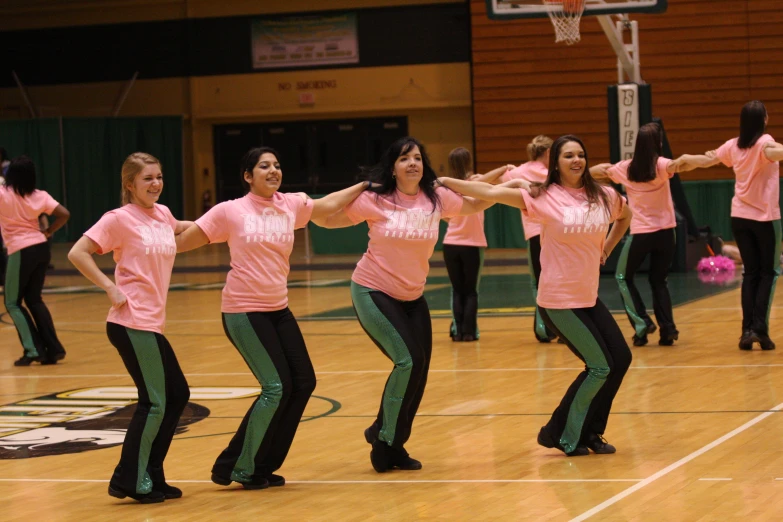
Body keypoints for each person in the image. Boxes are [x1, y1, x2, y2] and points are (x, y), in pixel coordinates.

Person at [175, 146, 368, 490]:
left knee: (303, 382)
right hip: (244, 311)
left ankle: (258, 464)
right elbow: (183, 242)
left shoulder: (290, 205)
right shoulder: (230, 211)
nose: (273, 171)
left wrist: (366, 184)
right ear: (248, 176)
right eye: (264, 166)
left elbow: (327, 205)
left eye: (277, 165)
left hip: (278, 309)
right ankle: (239, 467)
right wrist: (142, 234)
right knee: (276, 387)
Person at [438, 135, 632, 456]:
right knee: (599, 366)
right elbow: (489, 192)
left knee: (620, 359)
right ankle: (563, 434)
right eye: (568, 155)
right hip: (557, 300)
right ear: (555, 162)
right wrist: (446, 181)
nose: (576, 160)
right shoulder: (543, 196)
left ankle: (591, 432)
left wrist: (608, 247)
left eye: (581, 155)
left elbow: (626, 216)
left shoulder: (603, 196)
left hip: (587, 297)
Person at [314, 137, 494, 472]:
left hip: (413, 296)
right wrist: (362, 186)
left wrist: (478, 185)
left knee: (419, 370)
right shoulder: (375, 199)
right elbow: (324, 218)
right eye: (404, 159)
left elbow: (474, 205)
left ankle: (391, 439)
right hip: (373, 290)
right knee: (408, 361)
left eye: (417, 158)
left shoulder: (436, 198)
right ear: (393, 167)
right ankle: (383, 443)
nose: (412, 163)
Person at [68, 152, 193, 503]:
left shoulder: (163, 214)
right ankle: (130, 480)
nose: (156, 183)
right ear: (130, 184)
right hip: (131, 320)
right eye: (148, 178)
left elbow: (185, 227)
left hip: (152, 323)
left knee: (177, 395)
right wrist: (109, 287)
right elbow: (78, 252)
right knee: (154, 401)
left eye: (159, 177)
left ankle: (152, 474)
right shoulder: (118, 219)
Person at [676, 101, 783, 350]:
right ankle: (759, 329)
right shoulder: (765, 142)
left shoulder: (733, 145)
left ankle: (747, 331)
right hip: (765, 220)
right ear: (764, 119)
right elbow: (776, 151)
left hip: (739, 218)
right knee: (768, 273)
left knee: (750, 272)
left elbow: (706, 159)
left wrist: (683, 160)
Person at [591, 122, 682, 347]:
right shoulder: (661, 165)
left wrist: (599, 168)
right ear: (658, 143)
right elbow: (682, 164)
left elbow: (594, 173)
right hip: (667, 233)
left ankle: (642, 323)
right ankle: (668, 329)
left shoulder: (625, 168)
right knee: (659, 281)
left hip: (641, 233)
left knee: (623, 277)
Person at [475, 135, 558, 343]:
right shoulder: (555, 173)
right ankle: (563, 328)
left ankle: (545, 329)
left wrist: (505, 169)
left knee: (539, 283)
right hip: (558, 233)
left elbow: (487, 182)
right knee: (558, 280)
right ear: (548, 153)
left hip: (536, 235)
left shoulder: (519, 172)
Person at [0, 156, 69, 366]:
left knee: (12, 302)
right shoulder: (40, 195)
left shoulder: (3, 194)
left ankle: (32, 350)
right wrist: (48, 231)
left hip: (21, 250)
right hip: (41, 248)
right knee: (34, 298)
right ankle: (54, 349)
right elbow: (64, 214)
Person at [442, 148, 511, 342]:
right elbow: (489, 180)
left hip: (451, 244)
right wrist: (505, 167)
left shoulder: (448, 186)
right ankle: (469, 332)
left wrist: (454, 221)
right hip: (472, 245)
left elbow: (443, 215)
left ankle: (458, 331)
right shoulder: (473, 184)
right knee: (470, 290)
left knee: (457, 290)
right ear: (469, 162)